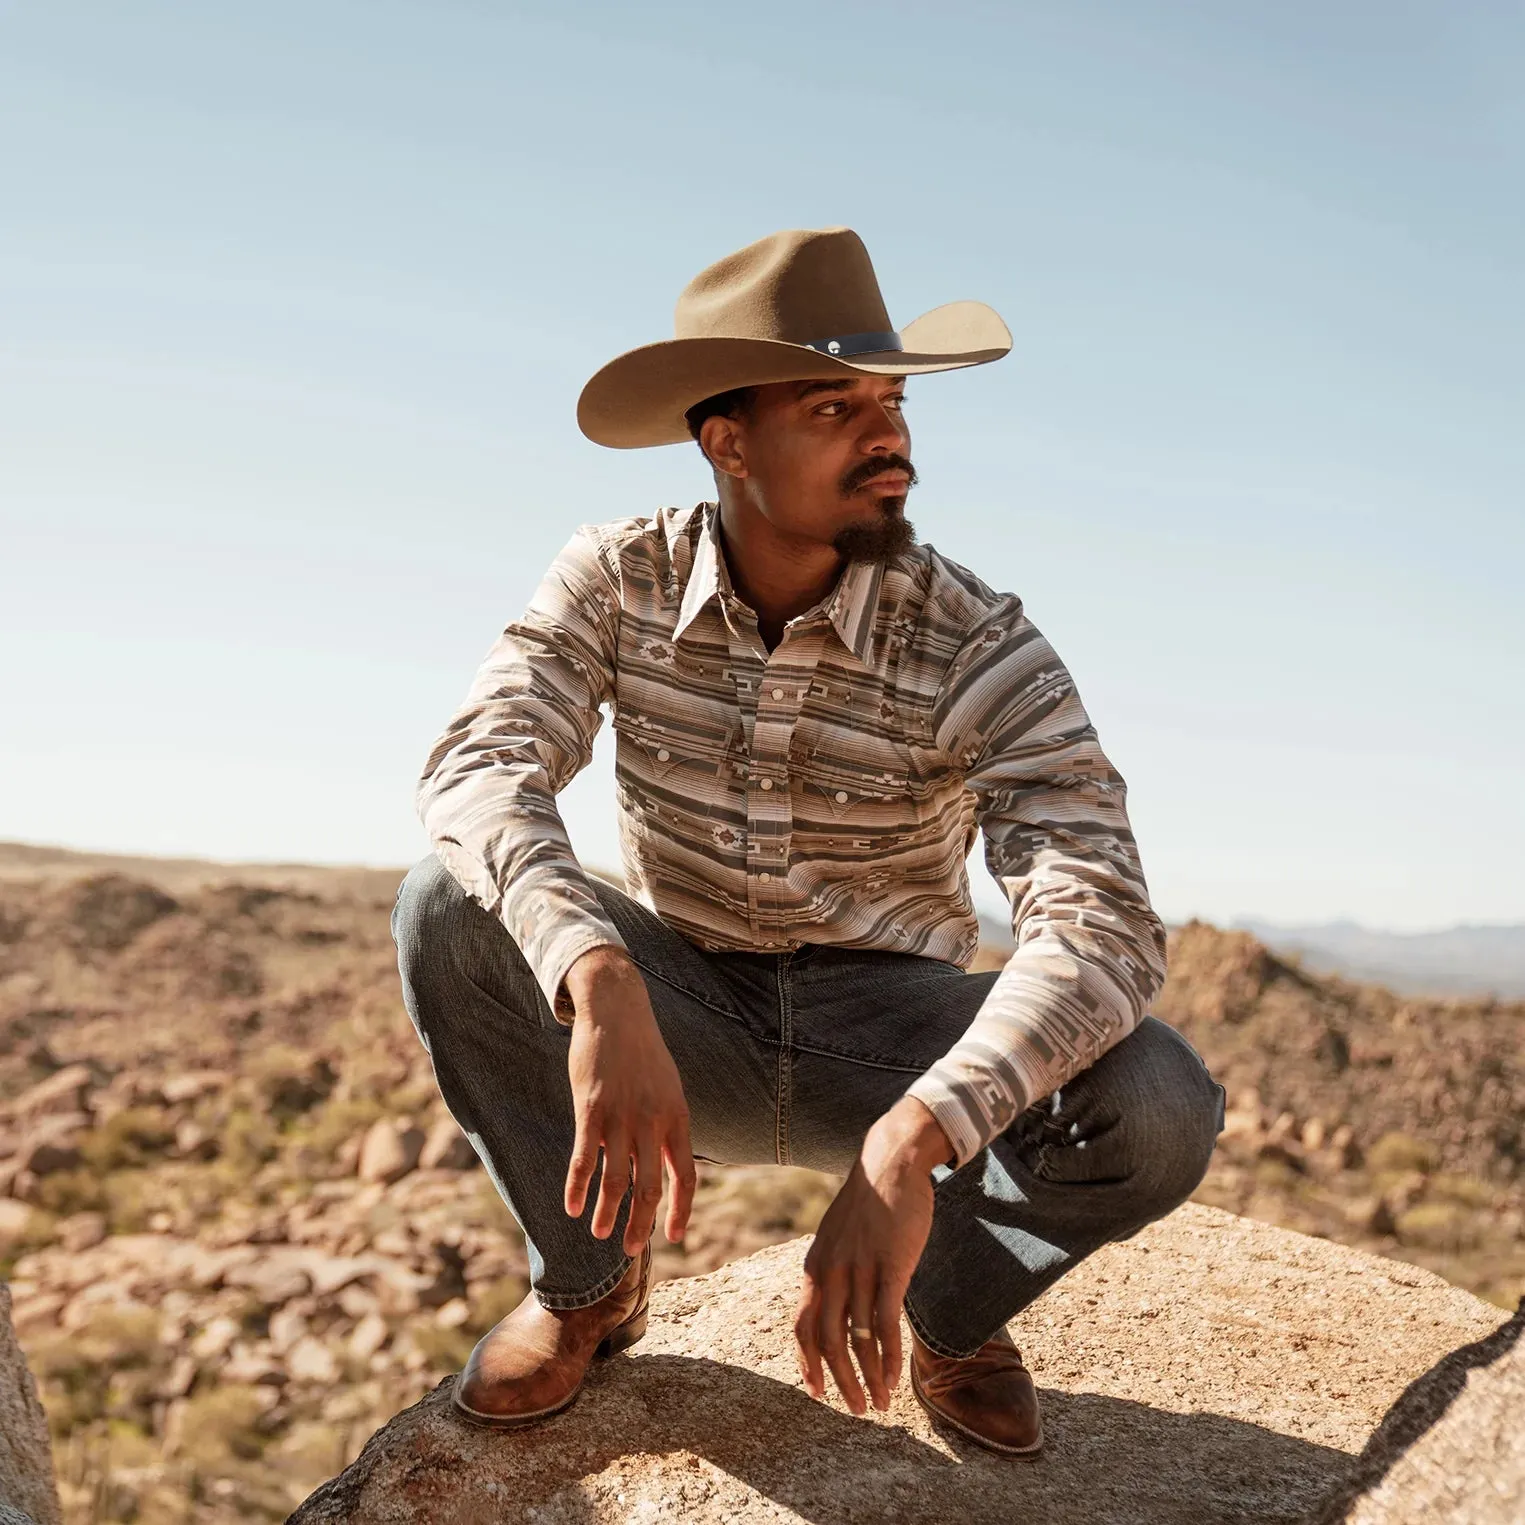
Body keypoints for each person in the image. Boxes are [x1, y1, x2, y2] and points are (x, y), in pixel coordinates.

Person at [392, 226, 1225, 1457]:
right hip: (684, 1015)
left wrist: (917, 1134)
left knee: (1155, 1096)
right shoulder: (618, 575)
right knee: (445, 907)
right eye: (836, 406)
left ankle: (944, 1315)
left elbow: (1097, 918)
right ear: (725, 440)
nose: (888, 439)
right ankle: (586, 1287)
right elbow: (480, 765)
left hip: (890, 1036)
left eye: (890, 404)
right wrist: (599, 973)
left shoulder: (975, 638)